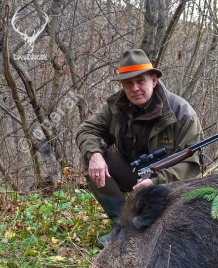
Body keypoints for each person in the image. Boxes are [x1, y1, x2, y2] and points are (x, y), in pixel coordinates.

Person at [76, 49, 203, 247]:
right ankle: (123, 227)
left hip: (169, 184)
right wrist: (95, 155)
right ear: (122, 85)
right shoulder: (116, 106)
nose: (135, 88)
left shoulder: (181, 113)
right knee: (89, 158)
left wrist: (156, 181)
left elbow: (192, 164)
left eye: (140, 81)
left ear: (153, 80)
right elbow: (87, 130)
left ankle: (152, 228)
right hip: (134, 173)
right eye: (128, 83)